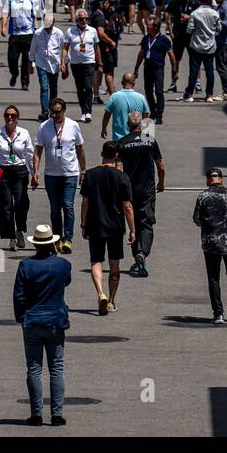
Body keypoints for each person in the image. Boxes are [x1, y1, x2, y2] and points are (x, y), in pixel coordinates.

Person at [13, 224, 72, 426]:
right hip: (55, 320)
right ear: (52, 243)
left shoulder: (26, 266)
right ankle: (57, 414)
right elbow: (67, 282)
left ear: (35, 244)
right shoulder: (63, 265)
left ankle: (36, 414)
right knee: (56, 367)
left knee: (34, 368)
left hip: (33, 320)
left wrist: (21, 317)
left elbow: (19, 295)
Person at [80, 141, 136, 316]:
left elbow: (85, 203)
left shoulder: (90, 175)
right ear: (116, 156)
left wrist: (83, 224)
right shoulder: (122, 177)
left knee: (96, 260)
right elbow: (127, 206)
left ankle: (100, 293)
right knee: (114, 264)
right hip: (115, 226)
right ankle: (111, 300)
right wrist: (132, 229)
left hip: (95, 224)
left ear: (102, 153)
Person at [193, 167, 227, 323]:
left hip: (210, 242)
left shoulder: (202, 196)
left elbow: (196, 219)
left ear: (208, 180)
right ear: (221, 179)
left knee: (213, 277)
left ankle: (218, 313)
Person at [33, 99, 85, 255]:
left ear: (64, 111)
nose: (54, 115)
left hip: (70, 173)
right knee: (55, 209)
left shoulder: (73, 125)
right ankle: (57, 238)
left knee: (68, 205)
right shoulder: (44, 127)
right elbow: (38, 151)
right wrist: (35, 171)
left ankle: (68, 239)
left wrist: (83, 170)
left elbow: (80, 149)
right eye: (52, 112)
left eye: (57, 112)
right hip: (51, 175)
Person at [116, 112, 164, 277]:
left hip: (129, 189)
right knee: (146, 222)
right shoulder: (149, 140)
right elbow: (160, 166)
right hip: (147, 189)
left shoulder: (122, 142)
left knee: (133, 222)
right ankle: (142, 253)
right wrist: (161, 182)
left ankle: (137, 255)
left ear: (128, 125)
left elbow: (119, 169)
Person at [0, 104, 36, 251]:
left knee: (21, 203)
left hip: (20, 171)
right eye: (7, 115)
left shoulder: (24, 133)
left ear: (17, 118)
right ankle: (11, 238)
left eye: (13, 115)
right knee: (6, 206)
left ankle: (19, 229)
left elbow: (30, 154)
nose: (10, 117)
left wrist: (34, 173)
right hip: (3, 172)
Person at [132, 17, 175, 125]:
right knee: (148, 91)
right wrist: (136, 67)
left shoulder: (164, 40)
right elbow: (141, 53)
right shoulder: (146, 38)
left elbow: (171, 55)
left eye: (149, 26)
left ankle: (159, 115)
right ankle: (154, 111)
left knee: (159, 91)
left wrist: (174, 70)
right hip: (147, 68)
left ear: (155, 27)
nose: (147, 27)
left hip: (158, 68)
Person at [63, 8, 101, 123]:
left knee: (88, 86)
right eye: (81, 19)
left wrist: (99, 62)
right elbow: (65, 48)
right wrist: (63, 63)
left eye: (86, 19)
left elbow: (97, 47)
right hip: (75, 63)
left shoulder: (92, 31)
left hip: (89, 62)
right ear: (76, 20)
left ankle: (88, 112)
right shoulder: (70, 31)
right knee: (80, 88)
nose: (84, 21)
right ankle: (83, 111)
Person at [182, 0, 220, 103]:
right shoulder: (215, 13)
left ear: (198, 0)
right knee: (209, 71)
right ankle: (209, 94)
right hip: (210, 46)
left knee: (194, 71)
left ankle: (189, 95)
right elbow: (219, 29)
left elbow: (189, 29)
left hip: (196, 46)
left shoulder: (194, 13)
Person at [1, 0, 37, 90]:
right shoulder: (10, 0)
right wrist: (3, 27)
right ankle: (14, 73)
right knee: (12, 58)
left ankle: (25, 82)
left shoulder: (31, 0)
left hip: (28, 34)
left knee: (27, 59)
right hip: (15, 34)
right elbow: (5, 14)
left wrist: (36, 30)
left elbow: (35, 16)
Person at [30, 11, 66, 121]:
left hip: (54, 65)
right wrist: (30, 63)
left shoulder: (58, 33)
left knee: (53, 88)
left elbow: (64, 48)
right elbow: (33, 48)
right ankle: (45, 112)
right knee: (44, 87)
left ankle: (53, 111)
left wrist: (64, 64)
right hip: (41, 63)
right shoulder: (38, 33)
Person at [100, 71, 150, 142]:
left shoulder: (114, 97)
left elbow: (107, 115)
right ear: (134, 83)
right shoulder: (141, 98)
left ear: (122, 82)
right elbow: (146, 117)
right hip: (136, 139)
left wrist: (104, 129)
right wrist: (146, 137)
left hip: (119, 139)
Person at [164, 0, 195, 92]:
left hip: (190, 35)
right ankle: (173, 83)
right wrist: (170, 31)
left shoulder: (193, 2)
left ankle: (197, 83)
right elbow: (167, 14)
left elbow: (199, 16)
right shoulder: (175, 1)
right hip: (178, 35)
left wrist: (189, 17)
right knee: (175, 60)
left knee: (194, 59)